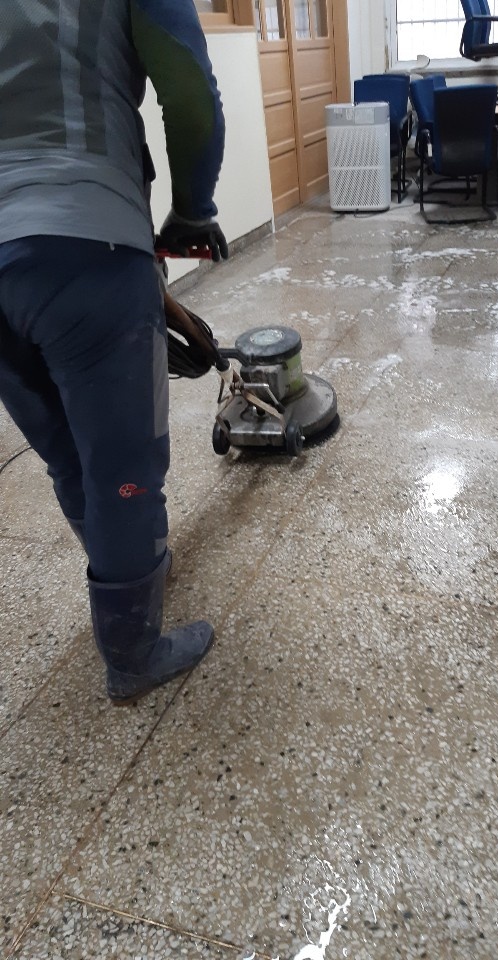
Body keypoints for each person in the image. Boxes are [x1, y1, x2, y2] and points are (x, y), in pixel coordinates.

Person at [0, 0, 229, 704]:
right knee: (124, 473)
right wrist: (192, 210)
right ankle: (133, 654)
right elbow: (188, 89)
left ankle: (126, 566)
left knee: (68, 455)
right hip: (85, 244)